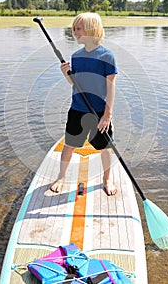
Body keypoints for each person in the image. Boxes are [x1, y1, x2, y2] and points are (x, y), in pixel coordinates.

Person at [50, 12, 118, 196]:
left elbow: (111, 88)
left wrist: (107, 115)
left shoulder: (107, 56)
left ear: (91, 29)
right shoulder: (76, 56)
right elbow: (75, 84)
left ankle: (106, 179)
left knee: (104, 148)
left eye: (78, 28)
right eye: (73, 29)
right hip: (77, 108)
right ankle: (61, 177)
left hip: (98, 112)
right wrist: (66, 74)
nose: (75, 32)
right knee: (69, 144)